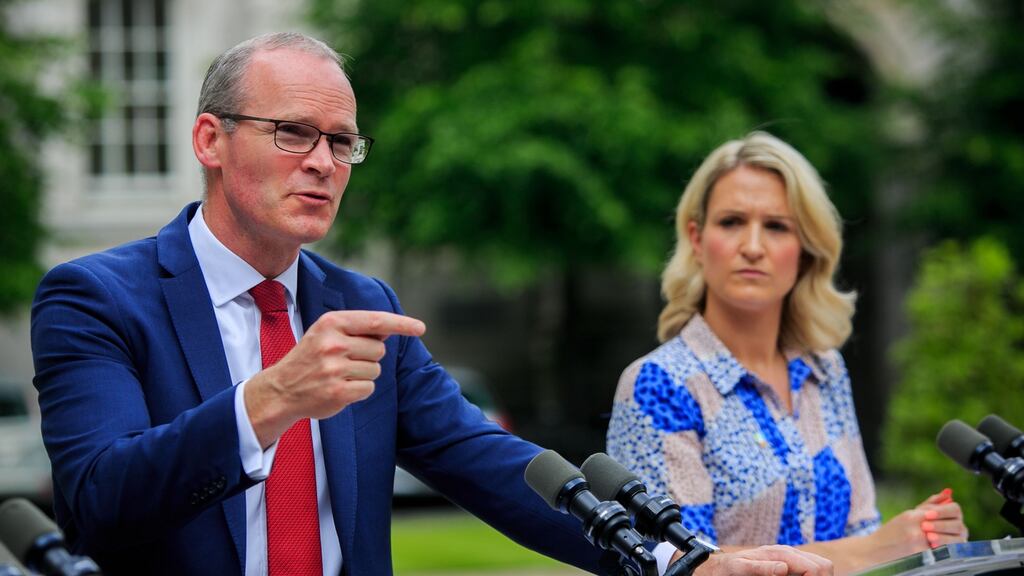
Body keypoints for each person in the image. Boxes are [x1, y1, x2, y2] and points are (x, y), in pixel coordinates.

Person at [31, 33, 832, 576]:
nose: (323, 163)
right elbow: (99, 502)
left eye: (341, 142)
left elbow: (489, 463)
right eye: (293, 133)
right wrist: (269, 401)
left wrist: (672, 562)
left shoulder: (360, 303)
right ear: (210, 139)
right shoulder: (96, 299)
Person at [606, 132, 967, 575]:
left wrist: (914, 540)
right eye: (732, 222)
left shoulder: (825, 368)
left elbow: (862, 524)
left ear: (805, 249)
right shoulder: (658, 385)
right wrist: (873, 549)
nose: (753, 246)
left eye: (776, 226)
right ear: (697, 239)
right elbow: (679, 563)